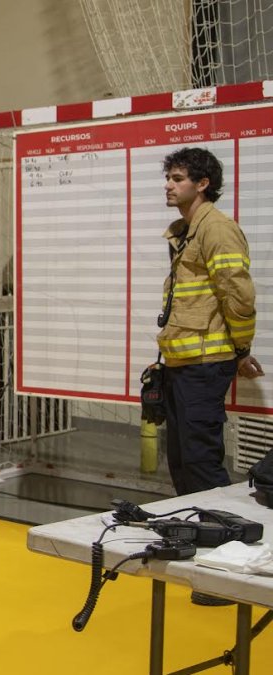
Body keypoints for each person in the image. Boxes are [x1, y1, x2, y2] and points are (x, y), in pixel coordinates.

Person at [158, 147, 262, 499]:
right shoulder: (186, 230)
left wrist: (241, 349)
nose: (169, 186)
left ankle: (223, 536)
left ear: (202, 184)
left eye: (178, 179)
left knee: (200, 462)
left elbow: (238, 296)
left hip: (204, 366)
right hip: (182, 362)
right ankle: (194, 530)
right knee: (182, 461)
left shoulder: (217, 229)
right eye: (168, 178)